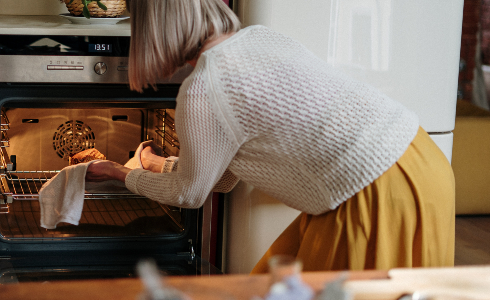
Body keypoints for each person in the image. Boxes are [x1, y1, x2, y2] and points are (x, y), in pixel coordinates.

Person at [86, 0, 455, 273]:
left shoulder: (202, 89)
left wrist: (122, 172)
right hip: (420, 161)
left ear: (153, 25)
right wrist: (154, 163)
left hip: (373, 195)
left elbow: (190, 194)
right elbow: (226, 176)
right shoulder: (260, 38)